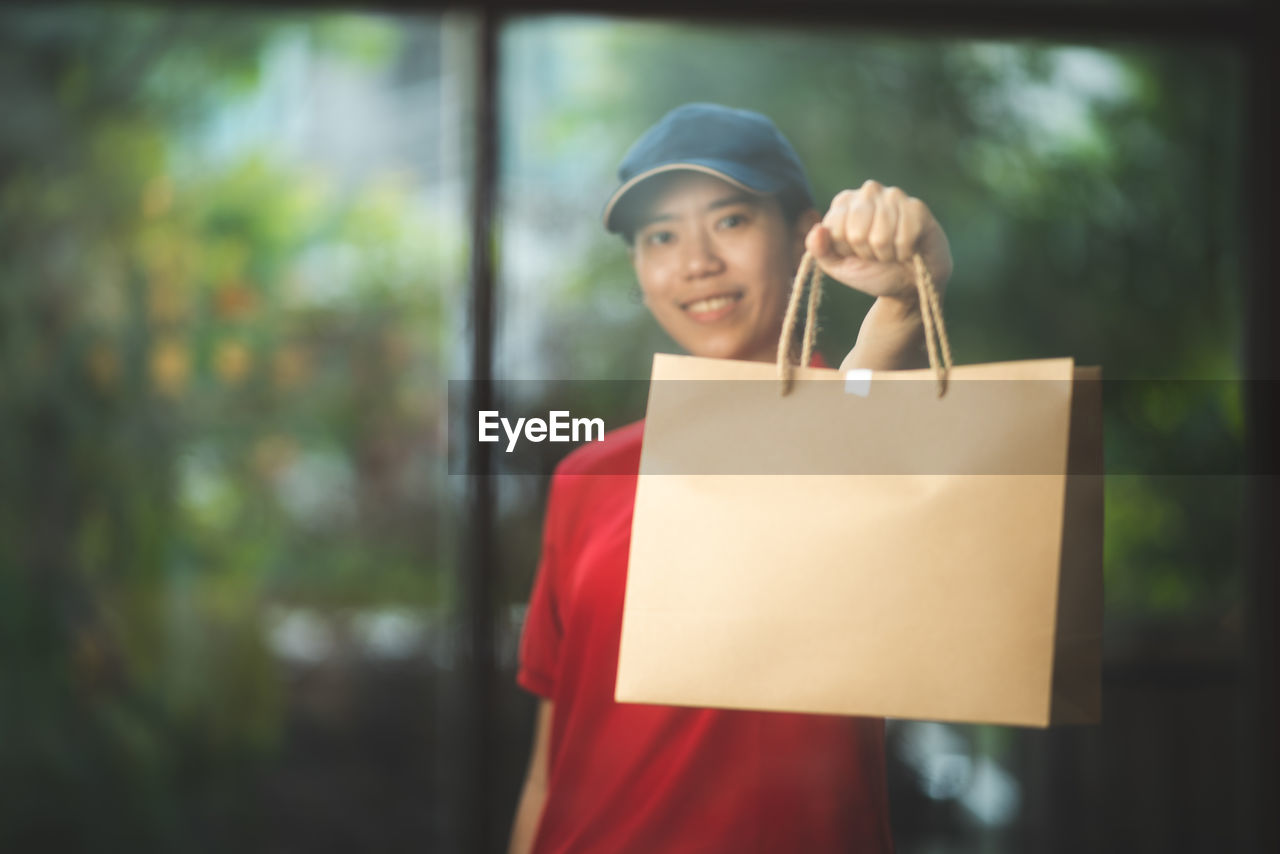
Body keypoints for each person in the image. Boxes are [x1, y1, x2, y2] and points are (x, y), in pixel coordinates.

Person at [508, 103, 953, 854]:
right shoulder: (586, 476)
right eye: (660, 236)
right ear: (639, 269)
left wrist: (906, 299)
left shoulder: (847, 425)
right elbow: (549, 774)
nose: (695, 262)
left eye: (731, 221)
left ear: (800, 232)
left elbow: (865, 410)